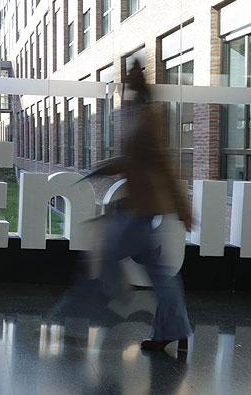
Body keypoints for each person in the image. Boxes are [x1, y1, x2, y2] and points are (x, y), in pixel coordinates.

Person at [86, 59, 194, 353]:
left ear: (138, 83)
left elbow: (164, 165)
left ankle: (113, 300)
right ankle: (175, 330)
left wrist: (183, 208)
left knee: (110, 258)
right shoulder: (134, 114)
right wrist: (105, 167)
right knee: (159, 274)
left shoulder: (148, 118)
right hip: (137, 206)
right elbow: (133, 161)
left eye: (131, 77)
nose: (126, 82)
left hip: (143, 207)